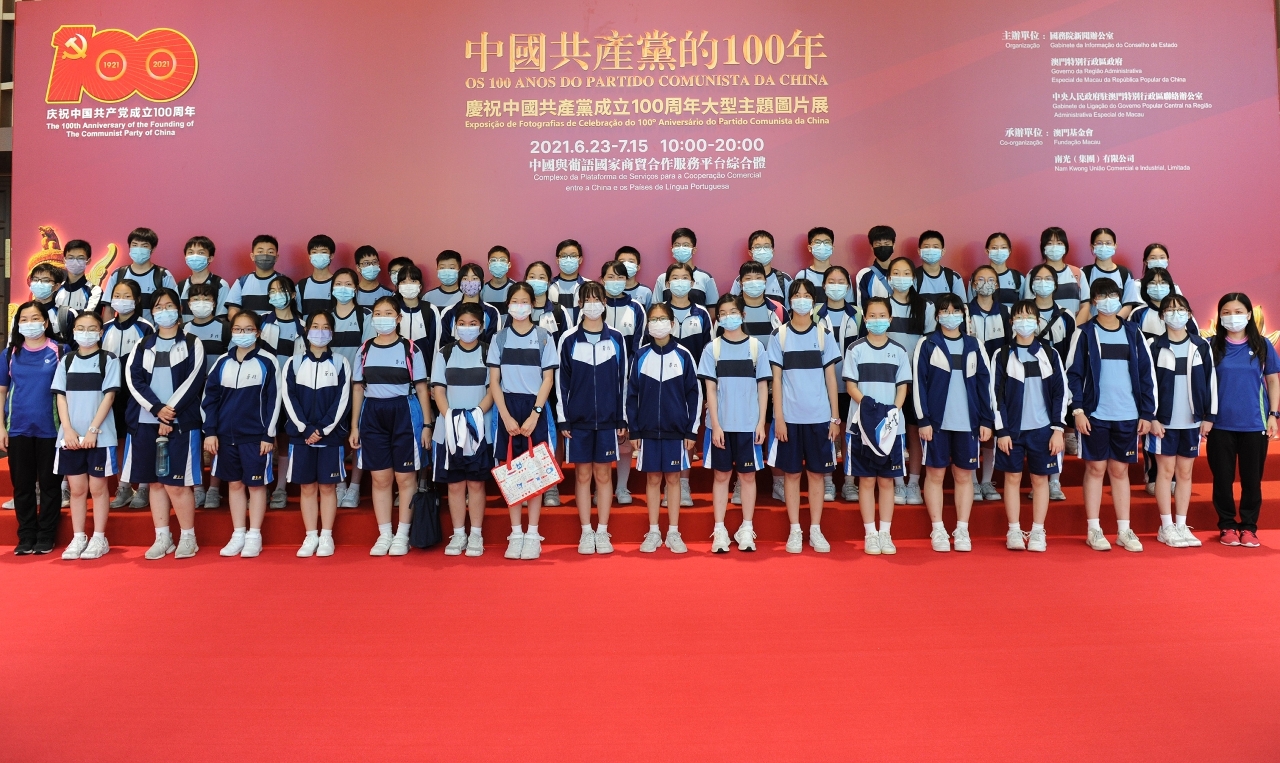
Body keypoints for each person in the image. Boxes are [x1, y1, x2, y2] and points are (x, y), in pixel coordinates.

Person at [1065, 278, 1155, 552]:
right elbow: (1073, 374)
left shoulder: (1133, 332)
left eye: (1112, 295)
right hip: (1095, 415)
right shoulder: (1084, 333)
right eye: (1102, 296)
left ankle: (1124, 530)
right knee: (1095, 469)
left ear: (1119, 299)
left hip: (1127, 414)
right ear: (1094, 301)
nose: (1108, 301)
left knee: (1120, 470)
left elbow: (1146, 374)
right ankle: (1093, 529)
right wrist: (1078, 410)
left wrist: (1146, 412)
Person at [124, 289, 207, 560]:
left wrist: (168, 413)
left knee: (177, 484)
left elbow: (194, 381)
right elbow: (133, 380)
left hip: (180, 422)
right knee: (155, 483)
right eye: (159, 307)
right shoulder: (143, 344)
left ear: (179, 310)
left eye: (169, 306)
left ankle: (188, 537)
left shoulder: (192, 342)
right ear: (152, 313)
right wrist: (156, 409)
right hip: (146, 421)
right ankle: (163, 537)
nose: (164, 311)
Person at [350, 296, 433, 556]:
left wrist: (427, 424)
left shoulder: (410, 349)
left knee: (405, 477)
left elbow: (422, 388)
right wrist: (354, 426)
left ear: (398, 319)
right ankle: (385, 533)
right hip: (372, 414)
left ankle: (402, 534)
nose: (382, 318)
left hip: (404, 412)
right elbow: (357, 389)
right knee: (380, 478)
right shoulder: (364, 350)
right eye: (378, 313)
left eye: (388, 313)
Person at [913, 293, 993, 552]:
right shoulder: (927, 344)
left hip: (968, 423)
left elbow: (985, 385)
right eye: (945, 311)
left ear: (963, 315)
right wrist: (923, 419)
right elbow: (919, 384)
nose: (950, 315)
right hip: (936, 424)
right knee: (935, 474)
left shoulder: (974, 345)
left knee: (964, 475)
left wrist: (987, 419)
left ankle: (962, 529)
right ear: (937, 316)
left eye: (955, 310)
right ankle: (938, 529)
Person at [767, 280, 842, 553]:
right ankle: (795, 530)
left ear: (813, 301)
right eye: (796, 295)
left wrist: (835, 418)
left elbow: (831, 379)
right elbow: (776, 380)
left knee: (817, 475)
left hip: (819, 418)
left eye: (806, 295)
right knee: (791, 475)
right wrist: (779, 418)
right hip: (790, 419)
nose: (801, 299)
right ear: (790, 301)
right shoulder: (779, 335)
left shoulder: (824, 335)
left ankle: (816, 529)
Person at [991, 300, 1068, 552]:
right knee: (1012, 478)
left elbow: (1060, 393)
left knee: (1040, 480)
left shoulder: (1050, 354)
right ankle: (1013, 530)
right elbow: (996, 396)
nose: (1024, 321)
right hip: (1012, 431)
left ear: (1037, 322)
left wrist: (1058, 429)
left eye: (1029, 317)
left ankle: (1037, 531)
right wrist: (1002, 431)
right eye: (1019, 317)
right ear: (1011, 322)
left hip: (1043, 430)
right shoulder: (1002, 354)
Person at [557, 282, 629, 551]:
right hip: (578, 422)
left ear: (604, 303)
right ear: (579, 305)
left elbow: (623, 382)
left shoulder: (617, 338)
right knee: (583, 475)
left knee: (603, 475)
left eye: (596, 299)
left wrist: (622, 417)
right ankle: (586, 531)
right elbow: (561, 383)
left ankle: (603, 531)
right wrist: (564, 418)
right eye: (587, 300)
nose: (592, 304)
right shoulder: (568, 339)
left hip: (609, 421)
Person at [488, 284, 560, 556]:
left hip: (534, 408)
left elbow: (548, 379)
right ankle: (516, 533)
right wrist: (505, 416)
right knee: (511, 473)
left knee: (535, 473)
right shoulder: (499, 338)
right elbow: (494, 381)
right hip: (507, 408)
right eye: (515, 301)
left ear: (533, 305)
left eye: (524, 301)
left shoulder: (543, 337)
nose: (520, 306)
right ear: (508, 305)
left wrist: (535, 414)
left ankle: (532, 533)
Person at [203, 310, 280, 559]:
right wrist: (210, 432)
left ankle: (254, 535)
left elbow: (274, 401)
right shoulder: (221, 362)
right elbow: (209, 400)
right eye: (237, 329)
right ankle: (238, 534)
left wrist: (268, 435)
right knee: (234, 484)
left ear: (258, 333)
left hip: (255, 437)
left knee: (256, 486)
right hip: (225, 437)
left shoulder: (268, 362)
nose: (242, 334)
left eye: (248, 329)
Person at [1206, 293, 1279, 547]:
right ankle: (1227, 525)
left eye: (1238, 312)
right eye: (1226, 312)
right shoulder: (1211, 345)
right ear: (1219, 316)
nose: (1232, 317)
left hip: (1254, 423)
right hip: (1220, 425)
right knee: (1222, 479)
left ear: (1249, 315)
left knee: (1252, 480)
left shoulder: (1262, 345)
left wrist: (1273, 415)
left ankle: (1248, 527)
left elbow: (1272, 381)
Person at [629, 302, 701, 554]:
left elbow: (695, 395)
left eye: (662, 319)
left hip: (676, 432)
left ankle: (673, 532)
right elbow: (631, 395)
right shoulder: (640, 356)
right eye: (653, 319)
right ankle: (653, 531)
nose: (657, 323)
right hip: (647, 431)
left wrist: (691, 430)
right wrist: (634, 430)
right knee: (652, 479)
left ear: (672, 324)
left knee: (673, 479)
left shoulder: (684, 355)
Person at [700, 295, 769, 552]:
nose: (728, 317)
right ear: (717, 318)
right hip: (720, 426)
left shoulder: (756, 347)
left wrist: (760, 423)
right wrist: (716, 425)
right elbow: (710, 389)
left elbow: (762, 388)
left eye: (733, 312)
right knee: (721, 476)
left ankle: (746, 528)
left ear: (743, 315)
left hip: (749, 426)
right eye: (723, 313)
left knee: (748, 476)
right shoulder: (712, 349)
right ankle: (719, 530)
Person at [844, 297, 912, 555]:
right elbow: (851, 386)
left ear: (890, 319)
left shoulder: (899, 351)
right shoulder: (855, 349)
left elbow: (902, 387)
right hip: (862, 426)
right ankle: (870, 534)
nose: (877, 320)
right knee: (866, 481)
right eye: (872, 316)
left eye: (882, 315)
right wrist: (871, 409)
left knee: (886, 481)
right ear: (865, 319)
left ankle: (885, 533)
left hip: (891, 428)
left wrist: (892, 412)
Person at [282, 311, 351, 558]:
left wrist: (322, 429)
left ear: (332, 332)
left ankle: (326, 536)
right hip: (302, 436)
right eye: (315, 326)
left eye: (325, 327)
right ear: (306, 330)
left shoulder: (341, 363)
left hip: (329, 436)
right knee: (307, 487)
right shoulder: (293, 363)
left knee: (328, 487)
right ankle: (311, 535)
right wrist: (306, 429)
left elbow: (343, 400)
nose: (319, 332)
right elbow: (288, 398)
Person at [1147, 295, 1214, 548]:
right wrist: (1151, 417)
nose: (1176, 314)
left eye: (1181, 309)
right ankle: (1166, 526)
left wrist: (1208, 417)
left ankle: (1182, 525)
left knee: (1185, 473)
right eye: (1170, 310)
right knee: (1165, 473)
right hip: (1163, 423)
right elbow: (1146, 384)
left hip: (1192, 422)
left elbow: (1211, 381)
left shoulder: (1201, 345)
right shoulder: (1154, 346)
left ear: (1189, 313)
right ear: (1162, 316)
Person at [54, 313, 120, 560]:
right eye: (81, 328)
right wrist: (68, 429)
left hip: (100, 437)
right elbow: (60, 396)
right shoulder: (67, 360)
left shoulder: (108, 360)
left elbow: (109, 397)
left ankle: (99, 537)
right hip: (70, 437)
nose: (86, 332)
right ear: (74, 332)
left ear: (100, 332)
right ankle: (79, 536)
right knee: (77, 489)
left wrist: (93, 430)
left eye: (92, 328)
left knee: (98, 488)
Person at [0, 302, 63, 554]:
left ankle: (46, 535)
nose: (30, 323)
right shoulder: (10, 354)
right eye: (24, 319)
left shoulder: (60, 351)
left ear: (45, 322)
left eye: (35, 318)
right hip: (18, 428)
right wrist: (1, 428)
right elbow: (2, 392)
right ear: (18, 324)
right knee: (22, 486)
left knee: (49, 485)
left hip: (51, 428)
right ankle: (26, 535)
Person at [432, 303, 495, 557]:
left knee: (476, 484)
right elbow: (438, 390)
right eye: (461, 324)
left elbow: (493, 390)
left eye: (472, 324)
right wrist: (452, 418)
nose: (467, 328)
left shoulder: (489, 352)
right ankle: (458, 534)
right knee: (456, 485)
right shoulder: (444, 353)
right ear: (454, 326)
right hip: (449, 430)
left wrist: (475, 415)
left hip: (479, 429)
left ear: (481, 326)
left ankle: (476, 534)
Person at [657, 261, 713, 508]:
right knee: (667, 431)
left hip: (692, 383)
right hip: (663, 382)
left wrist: (707, 388)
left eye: (684, 278)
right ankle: (668, 485)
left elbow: (709, 352)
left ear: (692, 283)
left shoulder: (701, 314)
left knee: (688, 431)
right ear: (667, 283)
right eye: (675, 278)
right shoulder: (659, 312)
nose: (680, 282)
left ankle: (683, 484)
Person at [101, 279, 154, 510]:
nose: (121, 300)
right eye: (117, 296)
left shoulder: (145, 327)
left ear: (137, 300)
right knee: (118, 439)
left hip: (138, 392)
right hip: (112, 393)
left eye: (127, 296)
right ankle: (124, 487)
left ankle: (143, 486)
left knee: (140, 439)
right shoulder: (105, 328)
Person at [886, 257, 934, 505]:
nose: (901, 278)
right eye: (896, 273)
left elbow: (929, 345)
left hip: (916, 381)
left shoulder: (925, 307)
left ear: (914, 279)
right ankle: (897, 482)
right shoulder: (882, 306)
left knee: (914, 432)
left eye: (906, 273)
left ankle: (913, 483)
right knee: (893, 431)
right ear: (889, 278)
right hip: (888, 381)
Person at [1026, 262, 1078, 483]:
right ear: (1031, 284)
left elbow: (1072, 353)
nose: (1043, 283)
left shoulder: (1066, 316)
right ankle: (1036, 480)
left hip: (1057, 379)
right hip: (1029, 379)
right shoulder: (1023, 312)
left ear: (1056, 285)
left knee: (1057, 426)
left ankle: (1055, 481)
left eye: (1048, 279)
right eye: (1038, 279)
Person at [601, 261, 647, 504]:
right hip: (600, 379)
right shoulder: (596, 304)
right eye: (610, 276)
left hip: (627, 380)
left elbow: (638, 346)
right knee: (602, 435)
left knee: (624, 435)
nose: (615, 281)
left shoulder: (636, 308)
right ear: (602, 279)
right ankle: (601, 487)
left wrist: (631, 376)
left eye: (619, 277)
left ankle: (621, 487)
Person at [182, 282, 231, 509]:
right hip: (190, 395)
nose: (200, 303)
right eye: (195, 299)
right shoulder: (183, 329)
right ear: (188, 303)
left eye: (206, 298)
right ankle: (198, 488)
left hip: (217, 394)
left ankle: (213, 489)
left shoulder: (224, 328)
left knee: (215, 440)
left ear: (214, 303)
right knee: (195, 442)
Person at [816, 266, 862, 502]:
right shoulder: (814, 313)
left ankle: (849, 482)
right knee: (827, 432)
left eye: (841, 281)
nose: (836, 286)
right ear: (824, 285)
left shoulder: (858, 314)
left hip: (851, 385)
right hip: (822, 385)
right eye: (831, 281)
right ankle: (827, 481)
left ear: (848, 286)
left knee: (849, 433)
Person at [329, 268, 374, 509]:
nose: (343, 288)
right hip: (330, 386)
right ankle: (339, 484)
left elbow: (367, 350)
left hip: (357, 385)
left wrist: (358, 380)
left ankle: (354, 487)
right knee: (335, 436)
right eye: (339, 284)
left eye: (348, 284)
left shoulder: (365, 316)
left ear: (356, 289)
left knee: (359, 435)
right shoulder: (325, 317)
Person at [260, 274, 304, 509]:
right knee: (262, 439)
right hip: (263, 392)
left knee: (284, 441)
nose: (277, 295)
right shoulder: (260, 323)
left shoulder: (304, 326)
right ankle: (261, 486)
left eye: (282, 290)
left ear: (293, 295)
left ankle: (280, 488)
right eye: (273, 291)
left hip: (290, 392)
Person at [968, 264, 1010, 502]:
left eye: (990, 279)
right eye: (980, 279)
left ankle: (986, 481)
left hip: (997, 379)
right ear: (973, 284)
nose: (986, 283)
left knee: (991, 430)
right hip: (971, 378)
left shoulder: (1004, 312)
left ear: (997, 284)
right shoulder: (965, 312)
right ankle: (973, 481)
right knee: (973, 430)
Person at [104, 227, 179, 322]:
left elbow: (174, 307)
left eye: (144, 246)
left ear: (153, 249)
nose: (139, 249)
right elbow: (109, 309)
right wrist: (107, 329)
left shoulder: (163, 275)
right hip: (122, 330)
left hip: (153, 330)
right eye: (135, 245)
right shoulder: (118, 274)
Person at [1076, 227, 1135, 324]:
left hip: (1117, 326)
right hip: (1091, 325)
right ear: (1092, 246)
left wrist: (1112, 323)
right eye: (1099, 243)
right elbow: (1083, 304)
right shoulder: (1083, 272)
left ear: (1115, 245)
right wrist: (1094, 324)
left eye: (1108, 243)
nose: (1104, 246)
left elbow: (1127, 305)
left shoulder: (1125, 273)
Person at [1026, 226, 1084, 317]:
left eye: (1059, 243)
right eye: (1049, 243)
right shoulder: (1033, 273)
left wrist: (1074, 325)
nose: (1054, 247)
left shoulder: (1077, 272)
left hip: (1073, 323)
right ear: (1043, 248)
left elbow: (1085, 305)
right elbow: (1028, 304)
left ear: (1065, 247)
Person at [654, 228, 718, 307]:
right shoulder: (662, 278)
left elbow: (712, 308)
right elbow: (656, 308)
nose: (681, 248)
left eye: (686, 245)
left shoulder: (705, 278)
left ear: (694, 250)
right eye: (677, 245)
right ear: (672, 249)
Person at [439, 263, 500, 343]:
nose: (470, 282)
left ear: (482, 282)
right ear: (460, 283)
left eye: (474, 278)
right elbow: (443, 344)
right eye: (465, 278)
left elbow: (493, 344)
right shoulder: (448, 312)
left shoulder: (492, 312)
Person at [225, 234, 281, 320]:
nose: (265, 255)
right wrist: (246, 325)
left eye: (270, 252)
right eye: (260, 252)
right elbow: (233, 311)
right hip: (248, 328)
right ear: (252, 256)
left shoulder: (284, 282)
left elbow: (290, 312)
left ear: (276, 257)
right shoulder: (241, 282)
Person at [54, 239, 103, 333]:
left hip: (82, 338)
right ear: (64, 260)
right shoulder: (56, 288)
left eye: (80, 258)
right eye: (71, 258)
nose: (75, 262)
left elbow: (88, 317)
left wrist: (64, 313)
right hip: (56, 340)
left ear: (88, 261)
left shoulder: (94, 291)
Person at [177, 235, 228, 322]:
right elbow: (179, 318)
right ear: (185, 257)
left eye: (201, 253)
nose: (195, 256)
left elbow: (222, 318)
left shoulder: (220, 285)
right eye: (190, 252)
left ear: (210, 258)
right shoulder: (180, 286)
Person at [912, 230, 967, 309]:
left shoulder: (954, 277)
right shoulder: (913, 277)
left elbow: (962, 308)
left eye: (935, 247)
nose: (931, 250)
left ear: (943, 251)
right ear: (919, 251)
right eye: (926, 247)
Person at [731, 230, 791, 300]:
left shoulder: (784, 279)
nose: (762, 251)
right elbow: (732, 305)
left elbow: (790, 306)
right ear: (750, 252)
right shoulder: (741, 281)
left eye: (766, 246)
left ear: (772, 251)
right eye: (757, 247)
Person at [737, 261, 787, 339]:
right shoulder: (732, 309)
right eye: (748, 278)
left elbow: (788, 337)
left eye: (758, 278)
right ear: (741, 283)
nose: (754, 282)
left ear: (765, 281)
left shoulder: (778, 309)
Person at [854, 224, 897, 311]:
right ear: (871, 247)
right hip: (875, 319)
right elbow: (862, 307)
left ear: (893, 245)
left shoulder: (904, 273)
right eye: (878, 244)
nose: (882, 247)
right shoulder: (864, 274)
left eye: (886, 243)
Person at [976, 232, 1024, 309]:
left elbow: (1024, 305)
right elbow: (971, 304)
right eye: (994, 248)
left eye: (1003, 247)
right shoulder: (978, 276)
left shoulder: (1018, 277)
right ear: (987, 251)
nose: (999, 251)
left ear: (1009, 251)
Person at [19, 263, 66, 339]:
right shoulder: (22, 312)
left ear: (56, 286)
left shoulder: (65, 314)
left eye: (45, 280)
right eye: (35, 279)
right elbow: (13, 340)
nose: (39, 283)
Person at [296, 234, 337, 318]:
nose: (319, 255)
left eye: (323, 252)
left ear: (332, 255)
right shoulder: (301, 286)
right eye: (314, 252)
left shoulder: (338, 284)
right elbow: (298, 315)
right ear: (309, 256)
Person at [794, 226, 836, 302]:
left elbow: (849, 304)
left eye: (827, 242)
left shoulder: (841, 276)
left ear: (832, 248)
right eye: (817, 242)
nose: (822, 246)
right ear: (810, 248)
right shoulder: (802, 275)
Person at [549, 239, 586, 323]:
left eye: (573, 256)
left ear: (580, 260)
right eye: (564, 256)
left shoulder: (588, 286)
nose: (568, 259)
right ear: (557, 260)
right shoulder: (549, 286)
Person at [482, 245, 515, 311]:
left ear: (509, 265)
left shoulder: (515, 288)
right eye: (493, 260)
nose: (498, 264)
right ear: (488, 265)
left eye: (502, 260)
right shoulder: (482, 289)